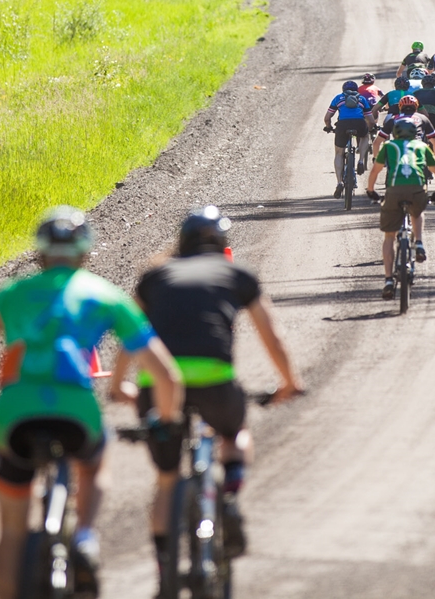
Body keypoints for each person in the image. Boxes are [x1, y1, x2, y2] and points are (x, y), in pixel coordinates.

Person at [0, 207, 183, 599]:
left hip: (15, 415)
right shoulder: (105, 294)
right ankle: (84, 536)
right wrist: (166, 421)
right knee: (95, 461)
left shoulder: (10, 294)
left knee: (11, 530)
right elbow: (165, 374)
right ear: (85, 251)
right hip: (76, 412)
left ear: (39, 252)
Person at [110, 207, 303, 587]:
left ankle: (165, 575)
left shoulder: (155, 277)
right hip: (215, 381)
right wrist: (289, 382)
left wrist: (118, 386)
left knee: (167, 480)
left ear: (182, 243)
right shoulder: (238, 274)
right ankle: (228, 496)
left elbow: (130, 335)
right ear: (223, 243)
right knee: (234, 433)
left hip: (159, 386)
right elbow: (272, 336)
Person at [366, 119, 435, 299]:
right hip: (417, 189)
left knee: (389, 236)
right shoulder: (422, 146)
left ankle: (388, 280)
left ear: (395, 132)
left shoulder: (388, 146)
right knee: (417, 212)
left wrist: (371, 191)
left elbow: (375, 171)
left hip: (394, 190)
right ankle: (419, 243)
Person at [323, 80, 371, 199]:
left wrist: (329, 127)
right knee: (365, 136)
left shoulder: (338, 98)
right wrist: (371, 127)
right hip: (359, 123)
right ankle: (361, 161)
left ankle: (339, 182)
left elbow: (327, 118)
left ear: (343, 90)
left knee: (339, 153)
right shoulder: (362, 99)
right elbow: (370, 118)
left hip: (342, 125)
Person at [372, 94, 435, 159]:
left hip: (397, 149)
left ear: (400, 107)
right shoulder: (423, 118)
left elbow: (376, 143)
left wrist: (375, 159)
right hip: (417, 147)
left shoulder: (393, 119)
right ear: (416, 107)